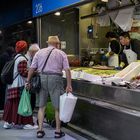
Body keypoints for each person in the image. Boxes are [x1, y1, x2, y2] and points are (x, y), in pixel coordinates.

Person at [26, 36, 72, 138]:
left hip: (42, 78)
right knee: (57, 108)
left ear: (48, 43)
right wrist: (69, 85)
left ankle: (40, 130)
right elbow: (67, 70)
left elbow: (32, 68)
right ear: (57, 44)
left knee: (41, 107)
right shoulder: (61, 53)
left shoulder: (39, 52)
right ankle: (57, 131)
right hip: (55, 79)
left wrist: (28, 81)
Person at [3, 40, 38, 130]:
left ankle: (8, 122)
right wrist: (33, 72)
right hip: (19, 85)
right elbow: (23, 73)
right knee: (23, 104)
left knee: (12, 105)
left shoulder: (15, 57)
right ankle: (26, 123)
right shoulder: (22, 59)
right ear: (25, 49)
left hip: (12, 85)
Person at [26, 43, 40, 111]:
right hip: (31, 81)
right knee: (31, 96)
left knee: (33, 96)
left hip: (36, 81)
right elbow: (29, 69)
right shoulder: (27, 57)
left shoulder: (38, 57)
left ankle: (33, 109)